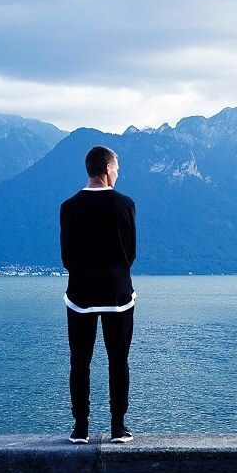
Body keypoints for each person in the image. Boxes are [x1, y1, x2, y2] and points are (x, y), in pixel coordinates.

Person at [59, 145, 137, 444]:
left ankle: (81, 428)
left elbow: (66, 255)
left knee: (80, 361)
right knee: (118, 360)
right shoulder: (125, 204)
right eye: (116, 168)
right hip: (118, 294)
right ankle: (118, 426)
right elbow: (130, 253)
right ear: (106, 169)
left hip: (80, 293)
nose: (117, 173)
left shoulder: (69, 207)